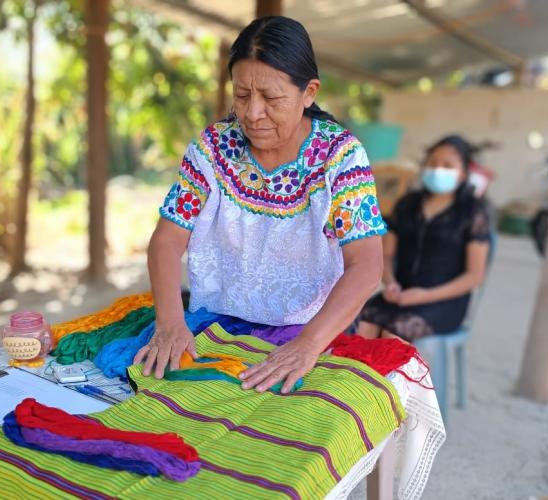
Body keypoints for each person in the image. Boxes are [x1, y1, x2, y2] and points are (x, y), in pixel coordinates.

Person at [135, 16, 387, 394]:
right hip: (216, 324)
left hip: (312, 330)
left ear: (309, 92)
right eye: (241, 95)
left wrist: (307, 346)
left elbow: (366, 265)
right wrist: (170, 322)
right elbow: (167, 240)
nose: (252, 113)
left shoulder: (341, 157)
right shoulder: (212, 149)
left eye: (270, 98)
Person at [357, 135, 491, 342]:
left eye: (448, 165)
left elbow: (475, 276)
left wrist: (426, 296)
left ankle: (386, 375)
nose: (438, 169)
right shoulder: (407, 205)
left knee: (394, 333)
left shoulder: (472, 212)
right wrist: (391, 283)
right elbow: (386, 254)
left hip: (444, 302)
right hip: (400, 294)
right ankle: (355, 375)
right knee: (362, 323)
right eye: (433, 163)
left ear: (464, 173)